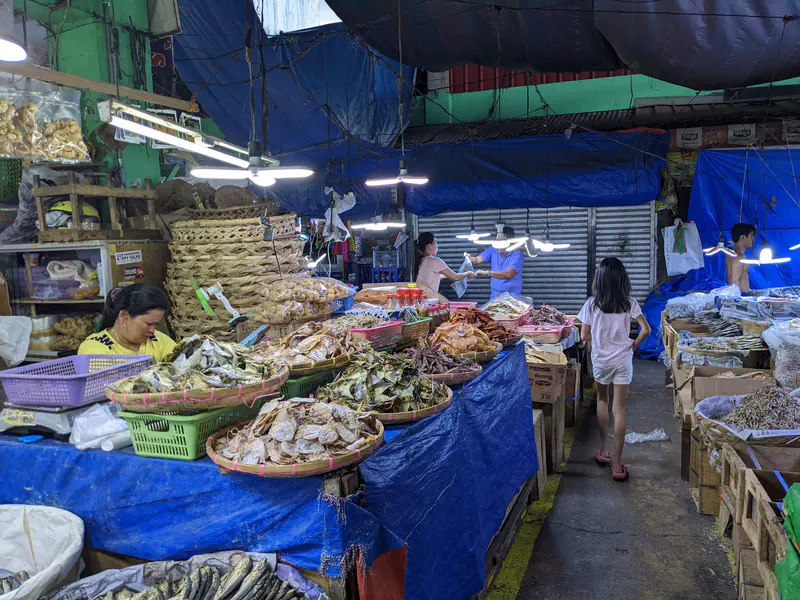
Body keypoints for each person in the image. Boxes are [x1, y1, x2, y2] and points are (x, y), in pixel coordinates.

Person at [577, 257, 651, 481]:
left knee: (602, 401)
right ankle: (618, 465)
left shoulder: (591, 304)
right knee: (619, 410)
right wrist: (633, 345)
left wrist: (600, 341)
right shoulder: (629, 303)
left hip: (601, 360)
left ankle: (605, 450)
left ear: (599, 280)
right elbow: (646, 329)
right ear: (622, 280)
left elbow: (584, 336)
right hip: (623, 360)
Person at [79, 284, 176, 361]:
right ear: (124, 316)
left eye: (156, 324)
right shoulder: (94, 348)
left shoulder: (158, 340)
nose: (153, 330)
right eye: (149, 324)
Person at [466, 226, 525, 299]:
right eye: (498, 240)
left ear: (510, 241)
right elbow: (477, 260)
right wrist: (468, 259)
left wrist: (486, 273)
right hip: (495, 297)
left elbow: (508, 274)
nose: (498, 244)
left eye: (502, 241)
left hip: (512, 298)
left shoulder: (517, 254)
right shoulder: (492, 249)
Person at [726, 223, 756, 293]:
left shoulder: (734, 255)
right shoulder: (738, 257)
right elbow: (734, 283)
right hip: (740, 298)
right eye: (751, 236)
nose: (753, 240)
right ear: (742, 237)